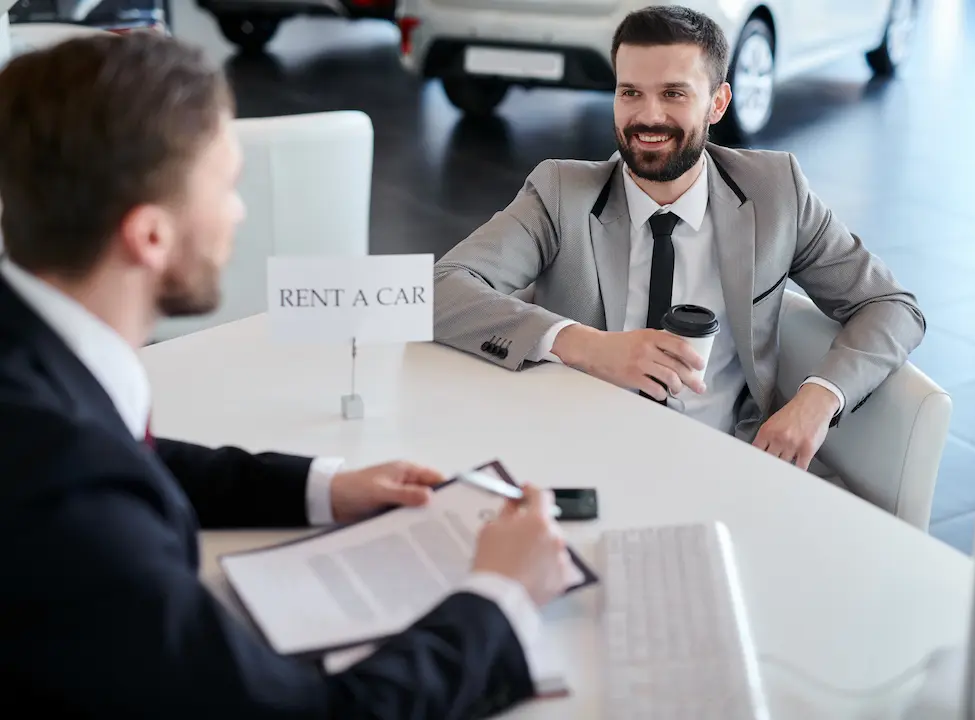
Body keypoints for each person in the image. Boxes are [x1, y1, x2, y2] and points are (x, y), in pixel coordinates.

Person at [0, 32, 576, 718]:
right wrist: (499, 596)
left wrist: (323, 487)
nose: (239, 211)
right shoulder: (66, 502)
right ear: (149, 236)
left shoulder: (37, 362)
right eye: (226, 185)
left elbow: (126, 460)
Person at [433, 5, 925, 470]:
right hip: (579, 452)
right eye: (630, 93)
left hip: (722, 462)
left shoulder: (776, 193)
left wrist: (819, 398)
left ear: (717, 103)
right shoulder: (561, 193)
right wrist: (586, 346)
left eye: (673, 93)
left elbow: (892, 305)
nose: (648, 117)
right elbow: (441, 289)